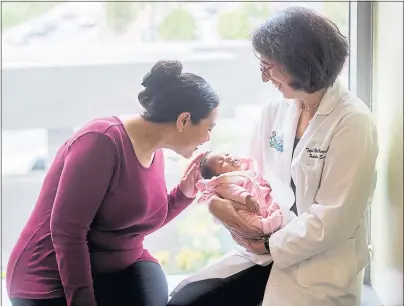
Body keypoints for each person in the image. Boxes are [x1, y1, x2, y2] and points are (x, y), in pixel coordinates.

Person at [168, 6, 378, 306]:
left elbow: (335, 218)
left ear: (300, 64)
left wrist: (269, 242)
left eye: (269, 66)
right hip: (263, 249)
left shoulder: (353, 122)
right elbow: (249, 175)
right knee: (185, 301)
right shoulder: (275, 111)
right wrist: (223, 208)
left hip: (319, 263)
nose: (265, 78)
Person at [6, 60, 220, 306]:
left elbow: (134, 223)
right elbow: (67, 232)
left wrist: (183, 194)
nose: (207, 139)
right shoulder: (101, 140)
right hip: (49, 278)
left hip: (112, 265)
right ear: (183, 120)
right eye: (209, 128)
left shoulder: (154, 150)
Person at [197, 151, 283, 237]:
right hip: (247, 209)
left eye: (227, 154)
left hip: (264, 200)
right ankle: (268, 225)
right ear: (217, 176)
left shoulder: (248, 169)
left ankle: (277, 212)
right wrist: (247, 197)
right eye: (221, 162)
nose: (228, 158)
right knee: (252, 223)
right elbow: (234, 191)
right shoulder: (224, 183)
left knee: (277, 197)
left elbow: (260, 180)